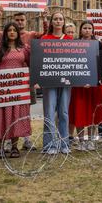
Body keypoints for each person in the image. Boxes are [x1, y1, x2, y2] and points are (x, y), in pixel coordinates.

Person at [0, 8, 48, 151]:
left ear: (26, 21)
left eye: (22, 20)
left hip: (22, 83)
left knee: (22, 110)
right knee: (3, 112)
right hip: (4, 84)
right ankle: (5, 144)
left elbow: (45, 37)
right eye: (17, 21)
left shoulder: (30, 36)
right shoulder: (3, 39)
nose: (19, 23)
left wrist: (45, 19)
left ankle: (25, 139)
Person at [0, 22, 32, 158]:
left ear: (18, 33)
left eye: (14, 30)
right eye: (9, 30)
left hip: (19, 89)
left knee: (16, 116)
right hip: (1, 88)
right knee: (1, 115)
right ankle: (0, 148)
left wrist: (31, 80)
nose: (12, 32)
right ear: (5, 33)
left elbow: (31, 64)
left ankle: (14, 147)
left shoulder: (24, 48)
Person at [68, 21, 102, 150]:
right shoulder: (74, 44)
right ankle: (81, 141)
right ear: (81, 30)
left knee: (94, 112)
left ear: (93, 31)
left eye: (89, 28)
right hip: (79, 84)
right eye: (85, 28)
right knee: (80, 111)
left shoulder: (98, 44)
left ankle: (91, 140)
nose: (87, 30)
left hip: (95, 83)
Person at [39, 12, 73, 154]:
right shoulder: (45, 38)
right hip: (49, 80)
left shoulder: (69, 39)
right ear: (51, 22)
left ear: (64, 22)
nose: (58, 21)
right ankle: (50, 145)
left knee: (64, 112)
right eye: (56, 19)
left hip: (66, 80)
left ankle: (64, 143)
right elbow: (39, 60)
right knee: (49, 112)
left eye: (61, 19)